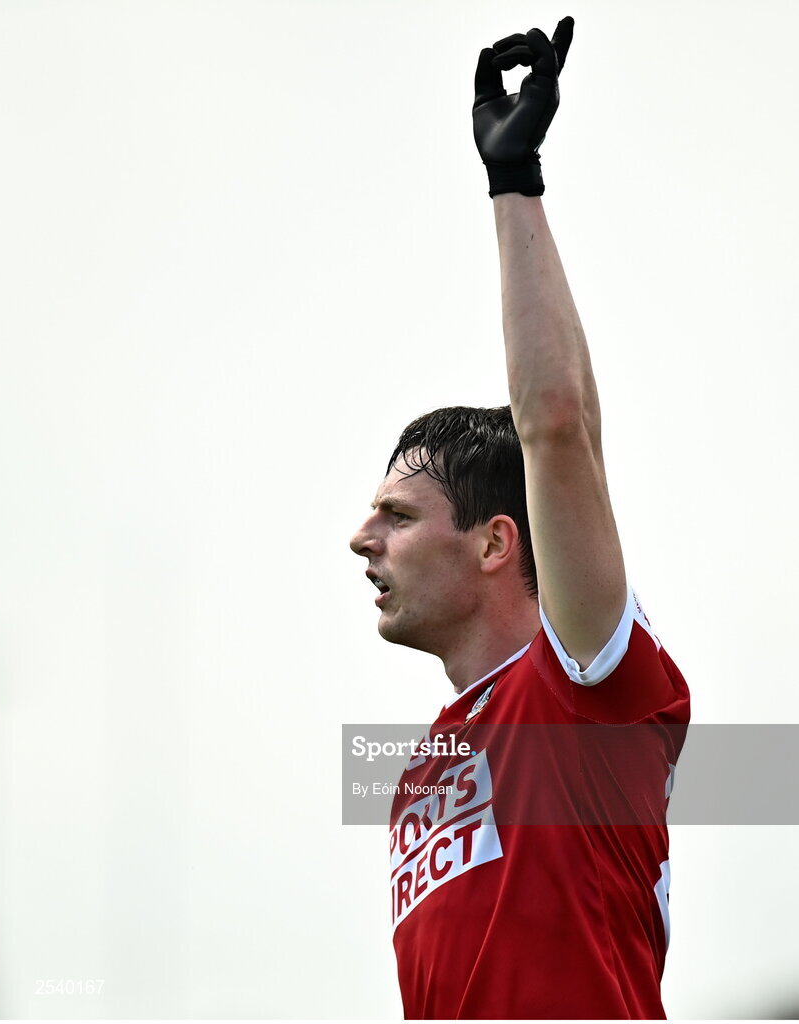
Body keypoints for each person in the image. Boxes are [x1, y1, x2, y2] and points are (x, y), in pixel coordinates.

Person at [349, 16, 690, 1020]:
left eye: (397, 515)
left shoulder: (585, 687)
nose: (361, 539)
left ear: (499, 542)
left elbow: (556, 428)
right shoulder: (421, 775)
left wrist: (513, 181)